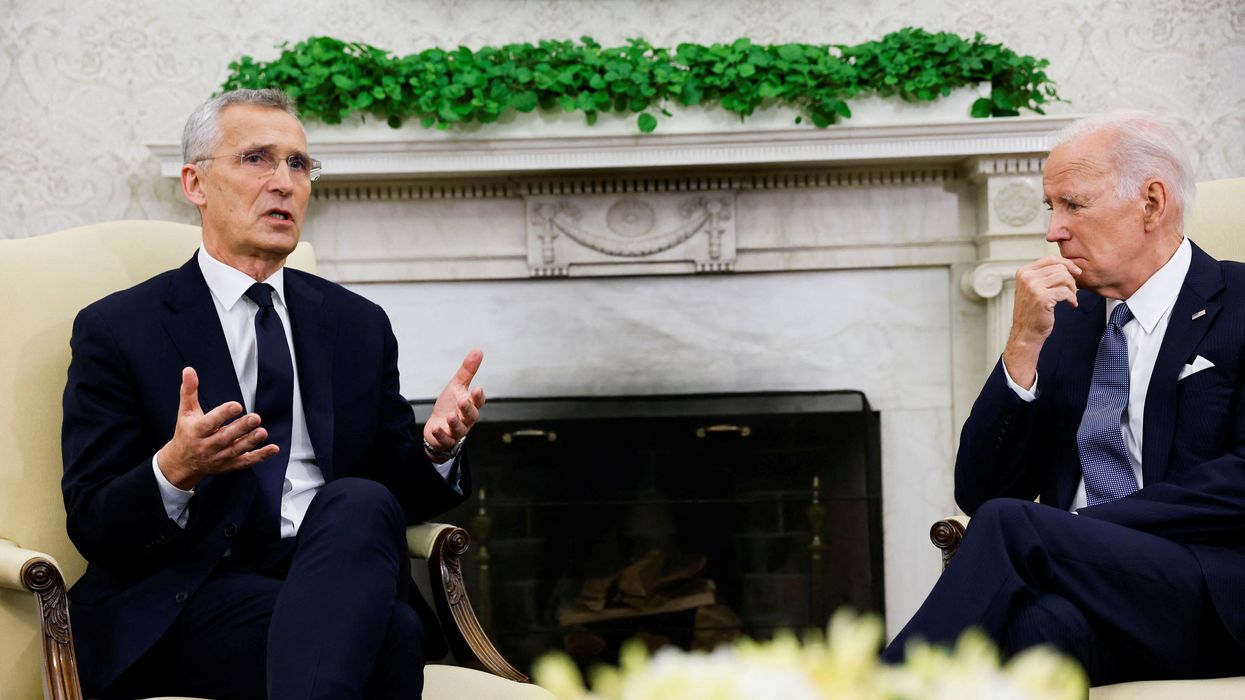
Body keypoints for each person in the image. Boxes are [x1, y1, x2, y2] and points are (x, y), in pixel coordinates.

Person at [61, 88, 486, 699]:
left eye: (298, 164)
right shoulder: (120, 329)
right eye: (257, 158)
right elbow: (92, 522)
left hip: (331, 569)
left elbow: (397, 493)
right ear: (195, 183)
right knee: (389, 634)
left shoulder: (357, 325)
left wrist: (436, 449)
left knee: (361, 502)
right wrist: (175, 470)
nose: (285, 182)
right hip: (194, 594)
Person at [881, 110, 1245, 685]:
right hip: (1079, 591)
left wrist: (1086, 527)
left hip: (1208, 595)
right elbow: (979, 491)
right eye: (1052, 207)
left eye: (1073, 204)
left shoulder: (1241, 302)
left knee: (1008, 526)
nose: (1053, 229)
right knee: (1036, 629)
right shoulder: (1062, 321)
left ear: (1151, 203)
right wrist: (1022, 343)